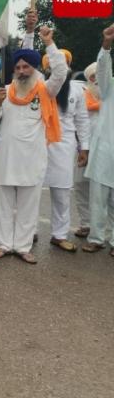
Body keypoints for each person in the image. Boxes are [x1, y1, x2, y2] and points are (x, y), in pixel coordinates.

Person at [0, 26, 67, 264]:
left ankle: (22, 246)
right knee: (2, 205)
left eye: (26, 67)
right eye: (18, 67)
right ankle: (3, 244)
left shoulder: (46, 91)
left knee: (28, 207)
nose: (21, 71)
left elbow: (60, 72)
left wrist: (49, 44)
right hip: (4, 157)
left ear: (35, 68)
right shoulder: (5, 91)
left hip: (32, 159)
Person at [38, 50, 90, 252]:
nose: (61, 67)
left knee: (61, 192)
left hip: (65, 146)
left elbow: (82, 120)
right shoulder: (40, 86)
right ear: (47, 68)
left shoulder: (78, 90)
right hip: (38, 144)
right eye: (53, 64)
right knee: (31, 190)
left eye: (64, 63)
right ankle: (28, 232)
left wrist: (84, 148)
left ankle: (59, 235)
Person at [82, 25, 114, 254]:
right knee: (98, 198)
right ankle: (96, 238)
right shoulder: (108, 87)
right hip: (105, 149)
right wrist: (106, 45)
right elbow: (102, 69)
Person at [75, 62, 113, 243]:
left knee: (105, 192)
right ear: (88, 78)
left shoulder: (110, 97)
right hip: (82, 149)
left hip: (106, 152)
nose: (96, 79)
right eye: (93, 76)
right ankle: (86, 224)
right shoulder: (81, 95)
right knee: (81, 186)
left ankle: (107, 234)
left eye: (99, 76)